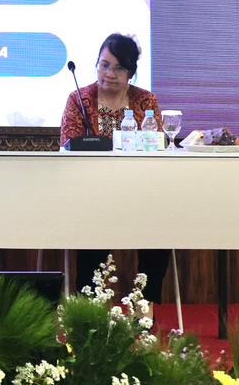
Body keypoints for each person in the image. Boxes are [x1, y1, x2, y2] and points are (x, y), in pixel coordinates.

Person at [60, 33, 169, 309]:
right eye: (104, 64)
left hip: (139, 193)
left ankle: (145, 308)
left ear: (130, 71)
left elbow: (157, 144)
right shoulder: (79, 99)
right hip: (91, 194)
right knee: (92, 230)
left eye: (118, 68)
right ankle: (91, 310)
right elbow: (68, 144)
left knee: (160, 229)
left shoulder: (145, 101)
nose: (109, 73)